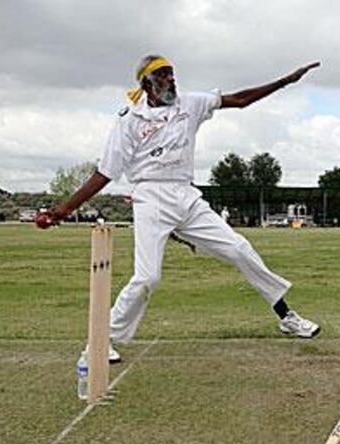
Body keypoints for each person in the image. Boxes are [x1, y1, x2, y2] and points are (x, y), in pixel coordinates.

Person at [36, 55, 322, 363]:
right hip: (150, 196)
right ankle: (99, 343)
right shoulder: (130, 119)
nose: (171, 79)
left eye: (172, 74)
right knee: (147, 278)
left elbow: (239, 100)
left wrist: (285, 81)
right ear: (146, 83)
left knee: (239, 249)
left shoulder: (190, 104)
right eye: (162, 75)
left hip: (186, 194)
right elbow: (104, 173)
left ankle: (286, 317)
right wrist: (62, 211)